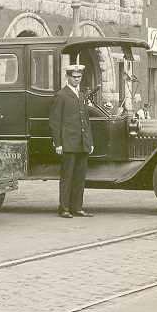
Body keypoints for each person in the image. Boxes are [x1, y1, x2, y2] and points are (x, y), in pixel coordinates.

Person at [51, 62, 94, 218]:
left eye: (79, 77)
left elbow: (86, 121)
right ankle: (64, 208)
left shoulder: (81, 95)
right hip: (68, 144)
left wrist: (90, 143)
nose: (77, 79)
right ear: (67, 77)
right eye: (74, 77)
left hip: (82, 144)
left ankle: (77, 208)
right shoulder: (61, 95)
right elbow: (55, 122)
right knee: (67, 177)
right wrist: (58, 144)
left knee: (80, 178)